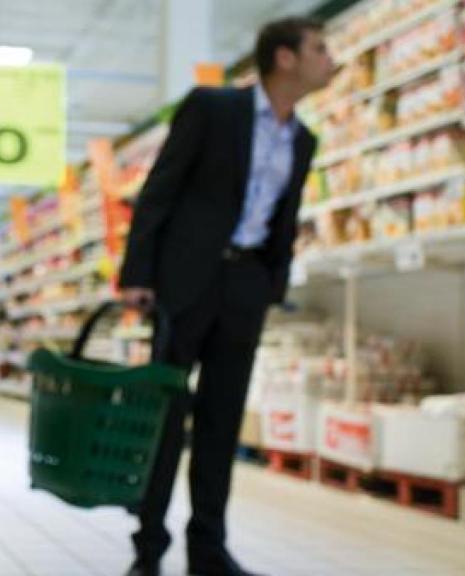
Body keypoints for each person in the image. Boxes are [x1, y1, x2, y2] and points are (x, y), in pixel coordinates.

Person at [118, 17, 335, 576]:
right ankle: (148, 548)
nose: (330, 60)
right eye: (320, 49)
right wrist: (137, 273)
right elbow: (160, 188)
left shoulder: (303, 139)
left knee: (222, 419)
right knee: (166, 417)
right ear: (284, 58)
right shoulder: (213, 108)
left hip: (245, 286)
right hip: (186, 281)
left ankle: (208, 549)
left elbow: (284, 217)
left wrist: (271, 285)